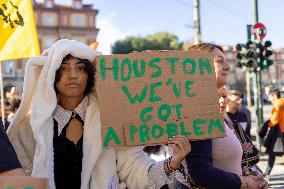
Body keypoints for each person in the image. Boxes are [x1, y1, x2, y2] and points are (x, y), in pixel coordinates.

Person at [7, 39, 191, 189]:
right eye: (63, 68)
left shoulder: (112, 118)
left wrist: (171, 164)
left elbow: (133, 168)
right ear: (51, 74)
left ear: (90, 73)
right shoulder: (29, 127)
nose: (72, 75)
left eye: (80, 67)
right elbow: (18, 177)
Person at [185, 43, 267, 189]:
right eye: (219, 60)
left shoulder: (214, 114)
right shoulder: (198, 111)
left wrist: (246, 176)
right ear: (199, 66)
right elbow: (200, 173)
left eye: (226, 60)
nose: (227, 66)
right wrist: (244, 183)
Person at [259, 88, 284, 177]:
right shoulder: (282, 101)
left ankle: (267, 172)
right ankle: (267, 171)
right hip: (281, 130)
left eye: (269, 96)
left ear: (274, 96)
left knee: (272, 152)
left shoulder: (277, 103)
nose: (269, 99)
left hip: (279, 131)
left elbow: (274, 120)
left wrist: (266, 125)